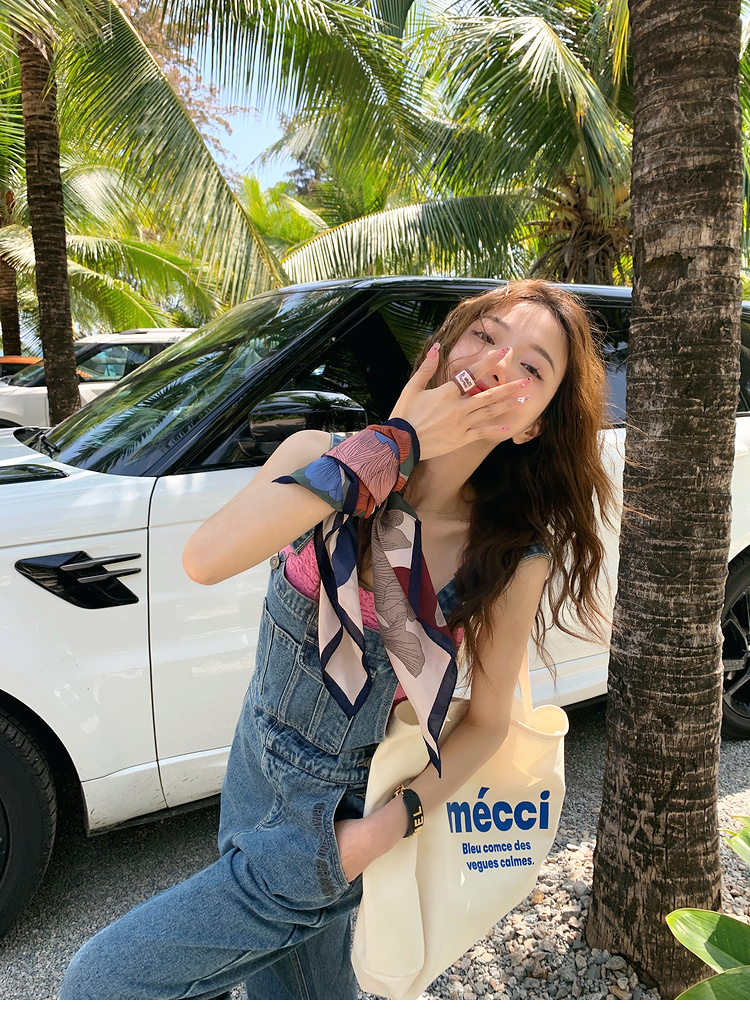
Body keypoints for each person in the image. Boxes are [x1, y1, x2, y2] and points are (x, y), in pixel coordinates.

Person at [59, 280, 616, 1001]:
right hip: (254, 761)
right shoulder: (322, 458)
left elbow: (487, 723)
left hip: (333, 819)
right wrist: (398, 442)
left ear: (531, 426)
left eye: (532, 367)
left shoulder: (506, 554)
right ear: (441, 350)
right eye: (485, 334)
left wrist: (385, 829)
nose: (497, 361)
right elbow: (206, 558)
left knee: (99, 985)